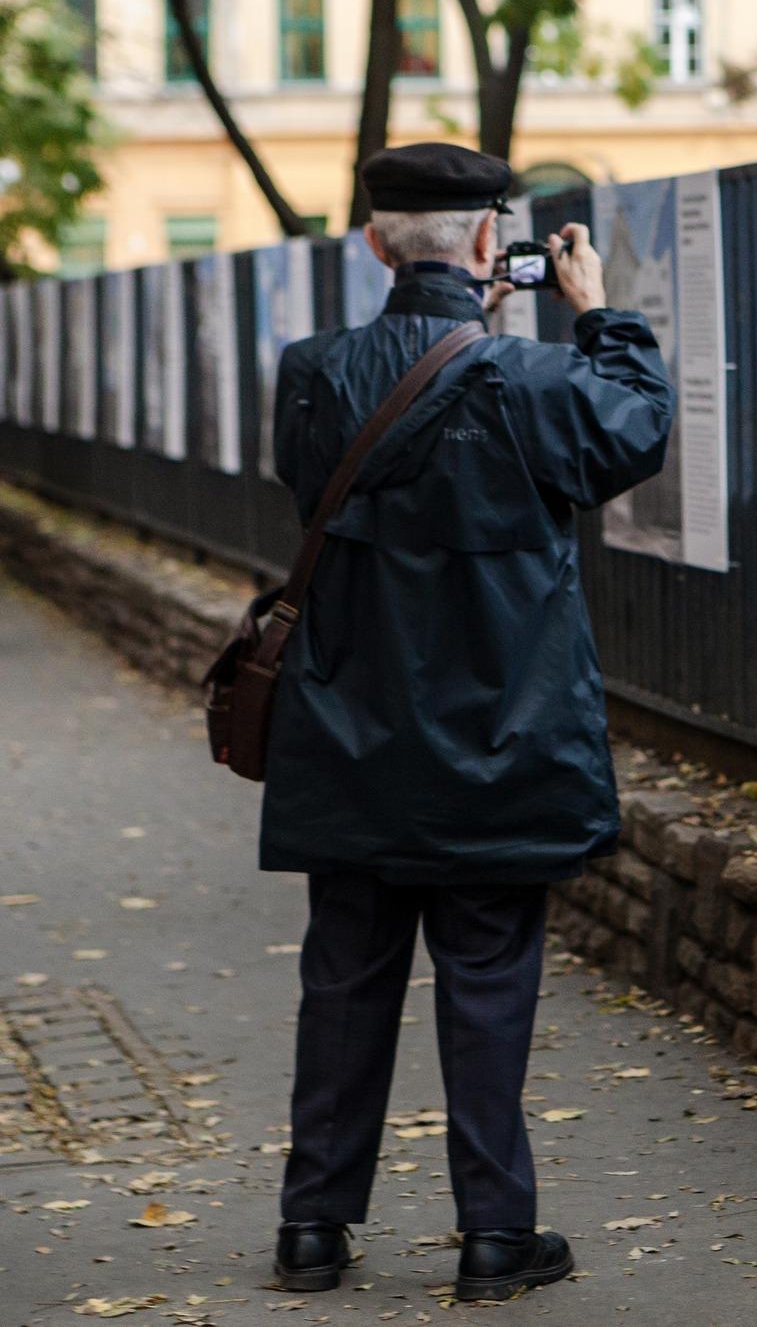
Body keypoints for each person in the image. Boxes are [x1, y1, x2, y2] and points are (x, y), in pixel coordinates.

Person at [261, 143, 674, 1302]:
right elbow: (635, 431)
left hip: (349, 738)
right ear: (495, 245)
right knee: (488, 985)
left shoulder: (312, 372)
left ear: (373, 241)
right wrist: (596, 315)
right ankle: (495, 1238)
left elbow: (313, 488)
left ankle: (312, 1226)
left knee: (344, 983)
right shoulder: (531, 384)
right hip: (499, 742)